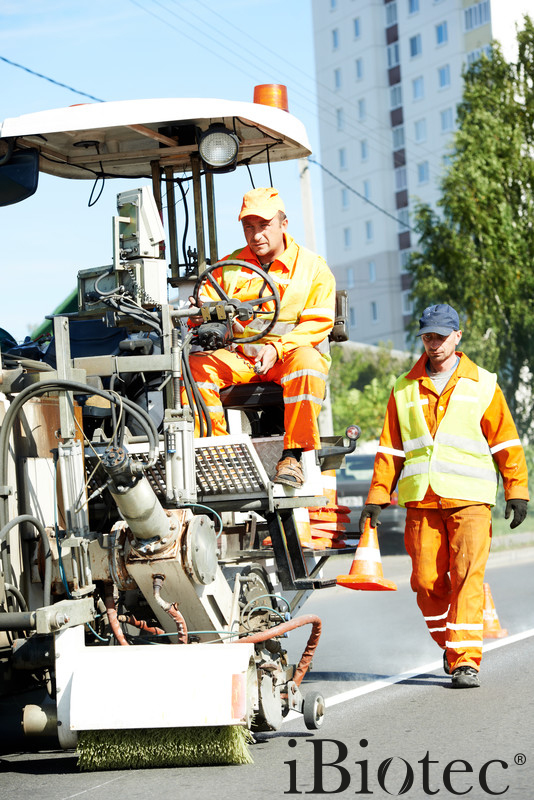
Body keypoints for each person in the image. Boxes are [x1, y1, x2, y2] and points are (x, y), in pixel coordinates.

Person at [359, 303, 529, 689]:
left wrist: (516, 489)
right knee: (425, 581)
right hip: (422, 501)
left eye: (440, 336)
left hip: (470, 499)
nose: (433, 344)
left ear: (457, 336)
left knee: (468, 577)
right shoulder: (404, 387)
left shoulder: (482, 382)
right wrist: (377, 496)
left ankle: (465, 660)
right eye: (427, 337)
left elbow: (506, 441)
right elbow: (391, 450)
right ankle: (450, 645)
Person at [187, 187, 336, 486]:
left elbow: (318, 323)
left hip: (288, 359)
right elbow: (201, 312)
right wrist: (199, 311)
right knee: (196, 365)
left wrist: (279, 348)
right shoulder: (228, 269)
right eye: (248, 227)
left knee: (308, 362)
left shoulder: (313, 268)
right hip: (242, 358)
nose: (256, 236)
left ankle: (292, 457)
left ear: (283, 224)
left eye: (264, 226)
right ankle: (217, 454)